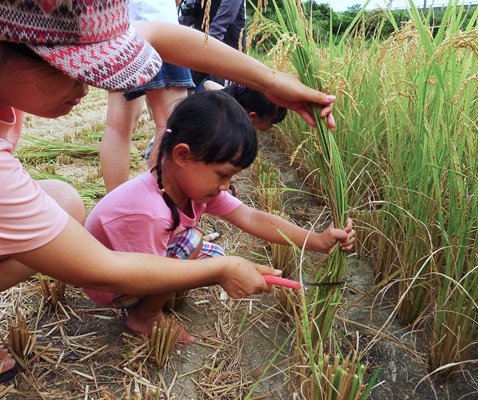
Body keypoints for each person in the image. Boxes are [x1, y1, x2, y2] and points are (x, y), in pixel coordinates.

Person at [0, 0, 336, 395]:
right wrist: (220, 268)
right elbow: (100, 268)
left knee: (64, 202)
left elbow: (160, 35)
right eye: (68, 70)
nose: (84, 87)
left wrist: (269, 81)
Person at [83, 90, 355, 344]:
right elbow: (140, 273)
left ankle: (157, 297)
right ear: (182, 155)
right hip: (115, 285)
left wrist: (316, 241)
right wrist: (209, 274)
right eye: (222, 175)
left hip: (138, 258)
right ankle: (145, 316)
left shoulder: (183, 185)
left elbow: (250, 217)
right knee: (192, 242)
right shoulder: (149, 212)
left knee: (213, 255)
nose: (226, 186)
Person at [102, 0, 195, 191]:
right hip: (159, 22)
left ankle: (116, 207)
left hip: (121, 29)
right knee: (169, 125)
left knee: (118, 126)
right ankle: (156, 205)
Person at [179, 0, 246, 87]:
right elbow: (184, 20)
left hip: (225, 56)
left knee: (219, 96)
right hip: (202, 48)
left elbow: (218, 29)